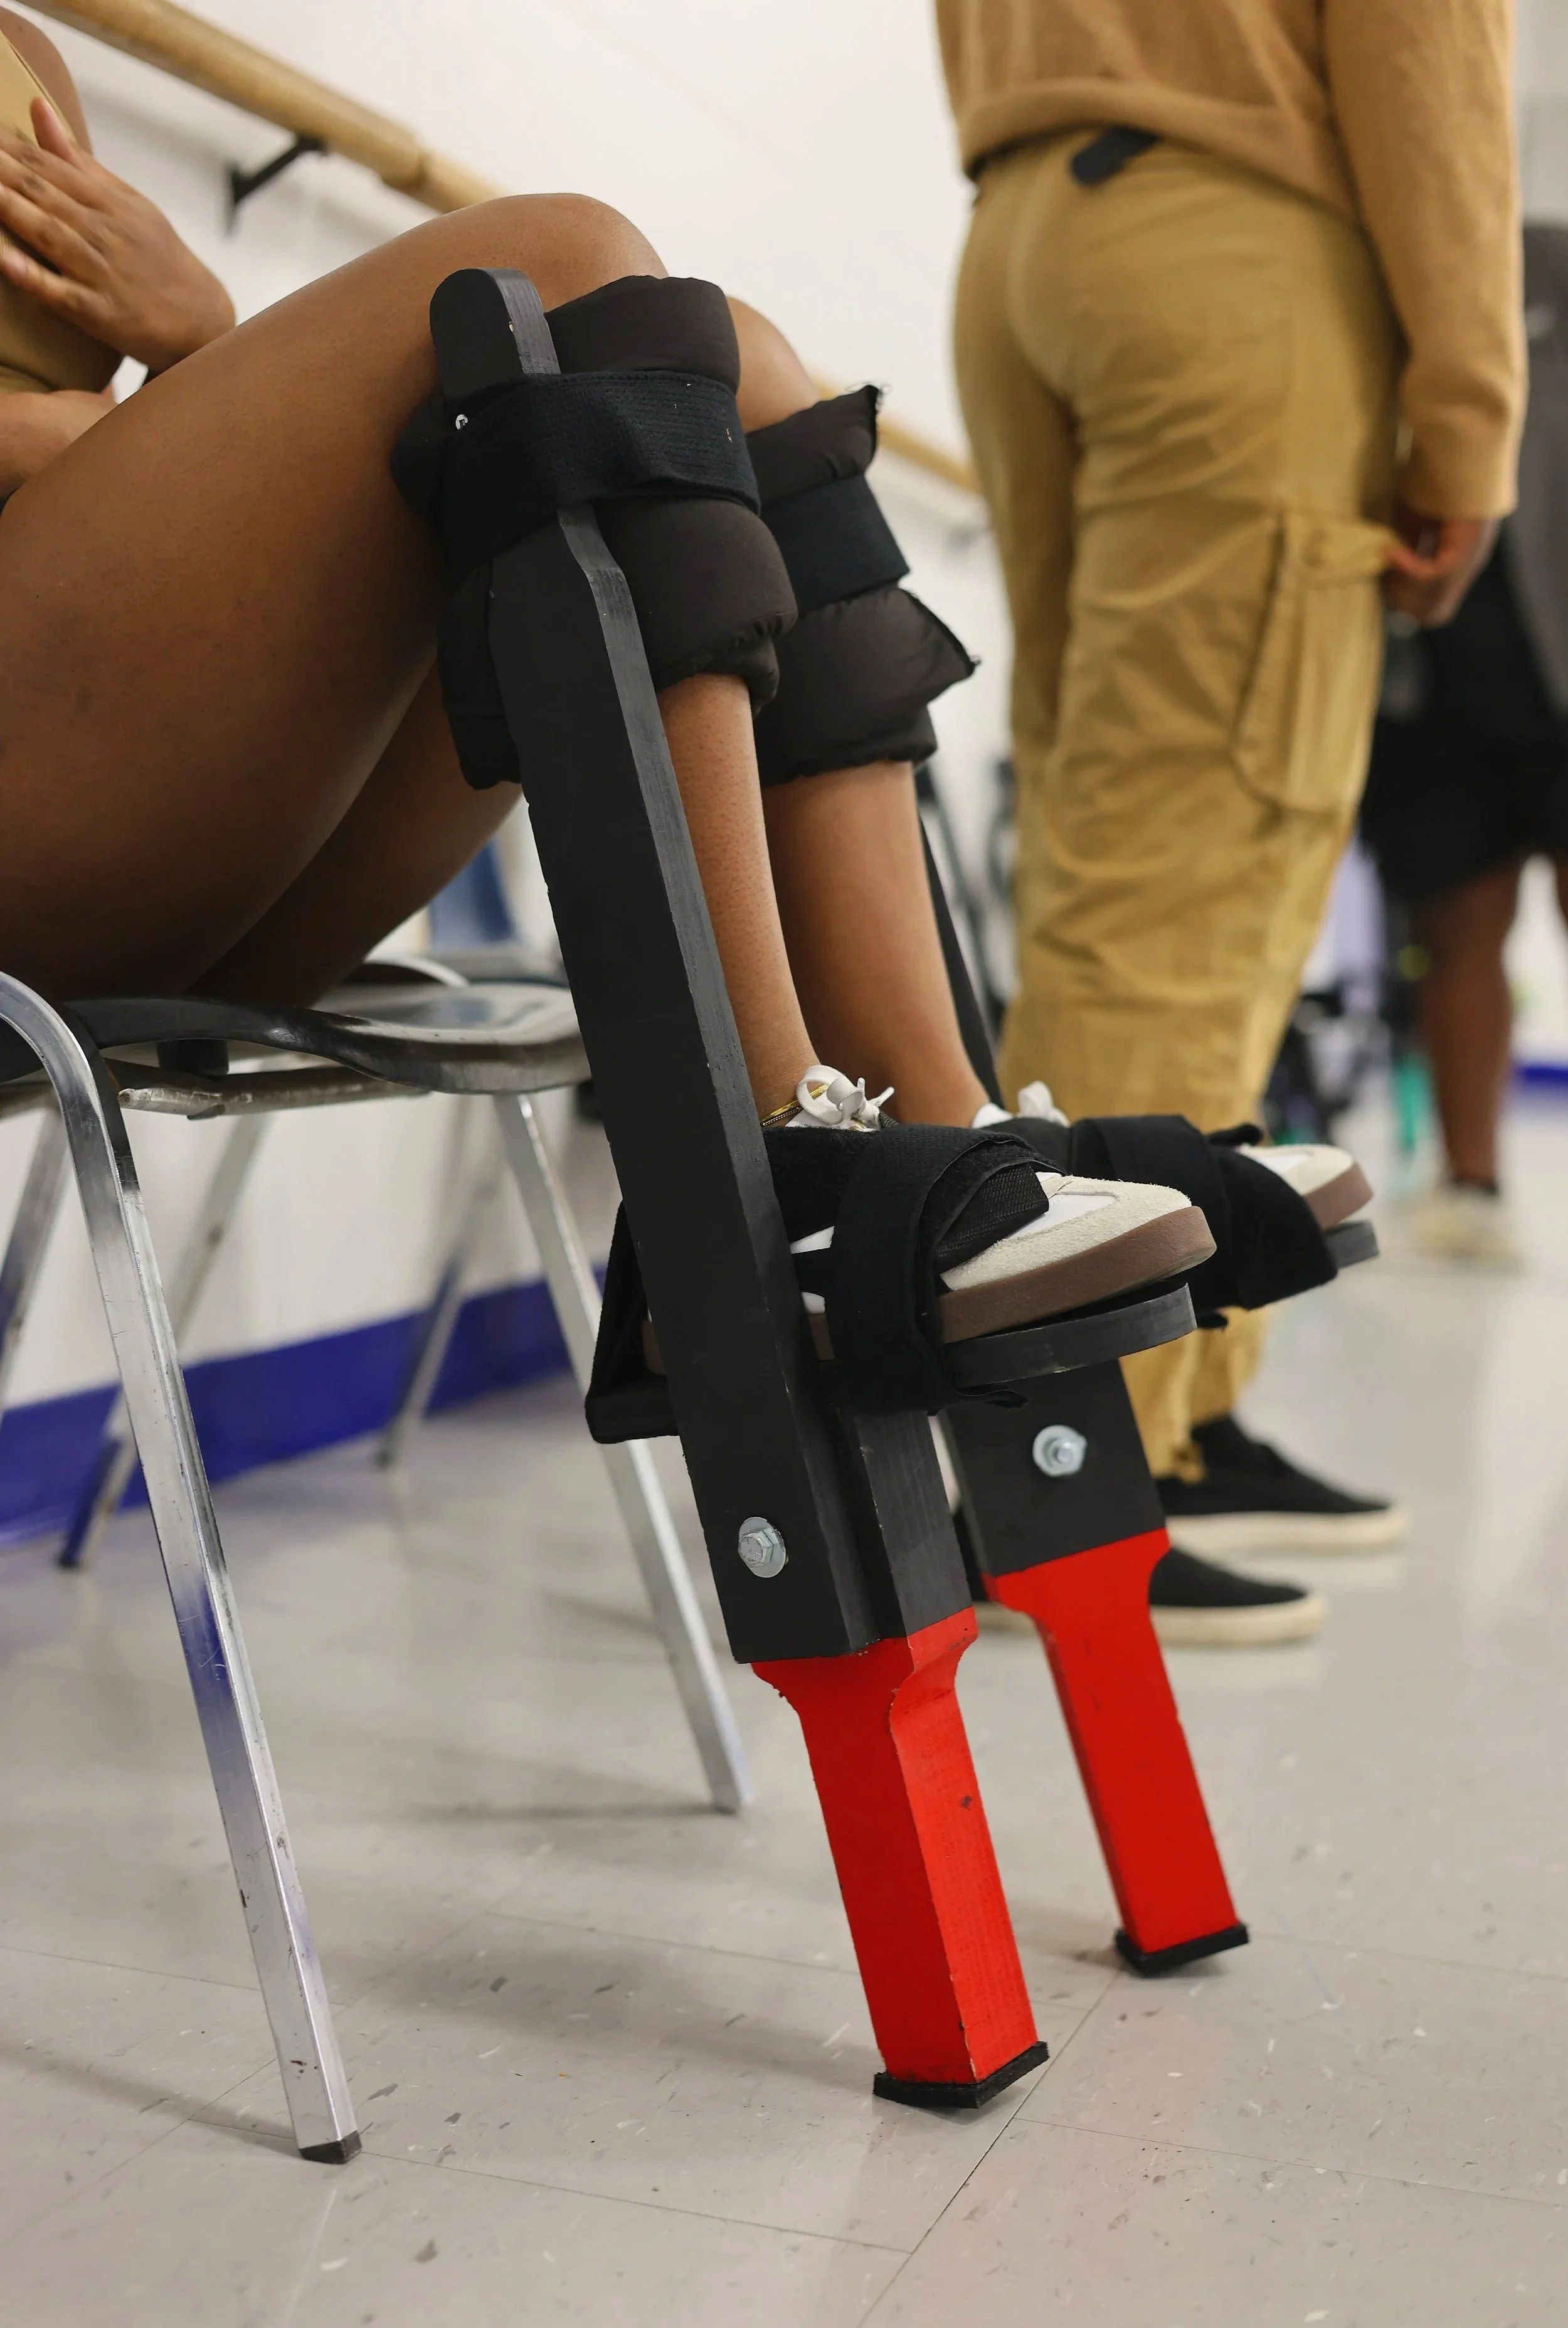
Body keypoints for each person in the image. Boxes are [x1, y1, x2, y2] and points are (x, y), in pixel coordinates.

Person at [0, 14, 1367, 1636]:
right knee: (567, 266)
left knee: (739, 360)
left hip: (165, 833)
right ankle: (781, 1153)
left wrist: (201, 353)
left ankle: (928, 1124)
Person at [936, 0, 1523, 1590]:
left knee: (1103, 869)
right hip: (1227, 252)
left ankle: (1168, 1411)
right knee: (1195, 888)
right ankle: (1082, 1468)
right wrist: (1468, 424)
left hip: (1021, 229)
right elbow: (1425, 53)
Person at [1362, 224, 1568, 1268]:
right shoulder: (1417, 264)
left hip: (1556, 653)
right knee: (1460, 925)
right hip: (1440, 669)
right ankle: (1471, 1182)